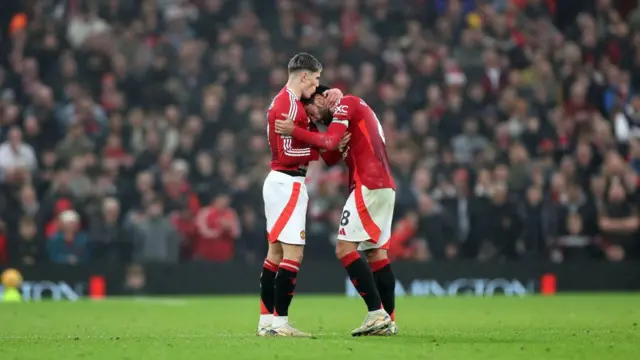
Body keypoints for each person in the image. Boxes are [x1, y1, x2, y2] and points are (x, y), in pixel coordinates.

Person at [274, 86, 397, 336]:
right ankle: (388, 321)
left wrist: (294, 130)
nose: (314, 118)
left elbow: (329, 142)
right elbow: (330, 155)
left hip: (368, 184)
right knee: (376, 255)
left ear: (321, 97)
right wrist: (309, 131)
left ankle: (376, 314)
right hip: (383, 186)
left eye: (312, 112)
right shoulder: (345, 117)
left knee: (344, 249)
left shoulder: (347, 103)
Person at [259, 53, 344, 337]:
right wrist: (320, 148)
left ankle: (266, 323)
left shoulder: (289, 100)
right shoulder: (288, 105)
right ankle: (281, 323)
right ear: (305, 76)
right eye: (317, 79)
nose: (318, 86)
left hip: (281, 183)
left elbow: (319, 97)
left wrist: (333, 90)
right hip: (287, 181)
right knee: (293, 253)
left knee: (275, 254)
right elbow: (286, 154)